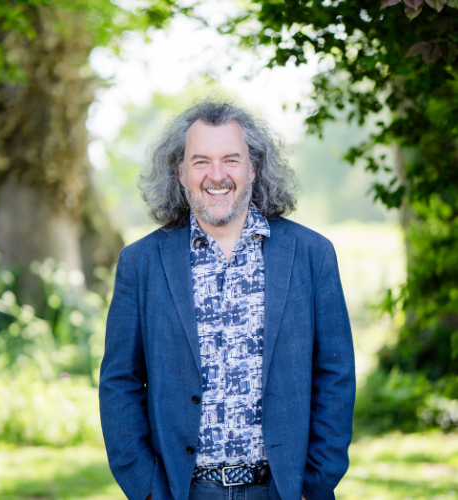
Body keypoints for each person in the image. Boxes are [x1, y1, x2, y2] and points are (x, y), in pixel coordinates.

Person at [99, 99, 356, 500]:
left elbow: (335, 374)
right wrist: (147, 489)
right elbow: (120, 382)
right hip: (182, 491)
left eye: (230, 160)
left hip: (284, 491)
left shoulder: (311, 254)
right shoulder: (141, 263)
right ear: (180, 172)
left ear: (253, 168)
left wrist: (314, 484)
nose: (216, 175)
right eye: (200, 161)